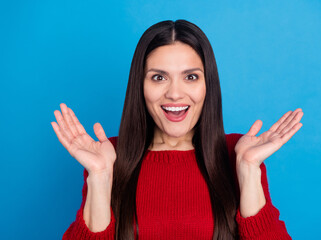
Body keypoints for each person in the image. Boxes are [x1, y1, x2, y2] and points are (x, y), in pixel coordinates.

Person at [51, 19, 303, 240]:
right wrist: (100, 177)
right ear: (140, 86)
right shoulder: (109, 156)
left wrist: (248, 170)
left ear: (208, 85)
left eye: (190, 77)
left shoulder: (236, 153)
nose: (174, 93)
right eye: (158, 77)